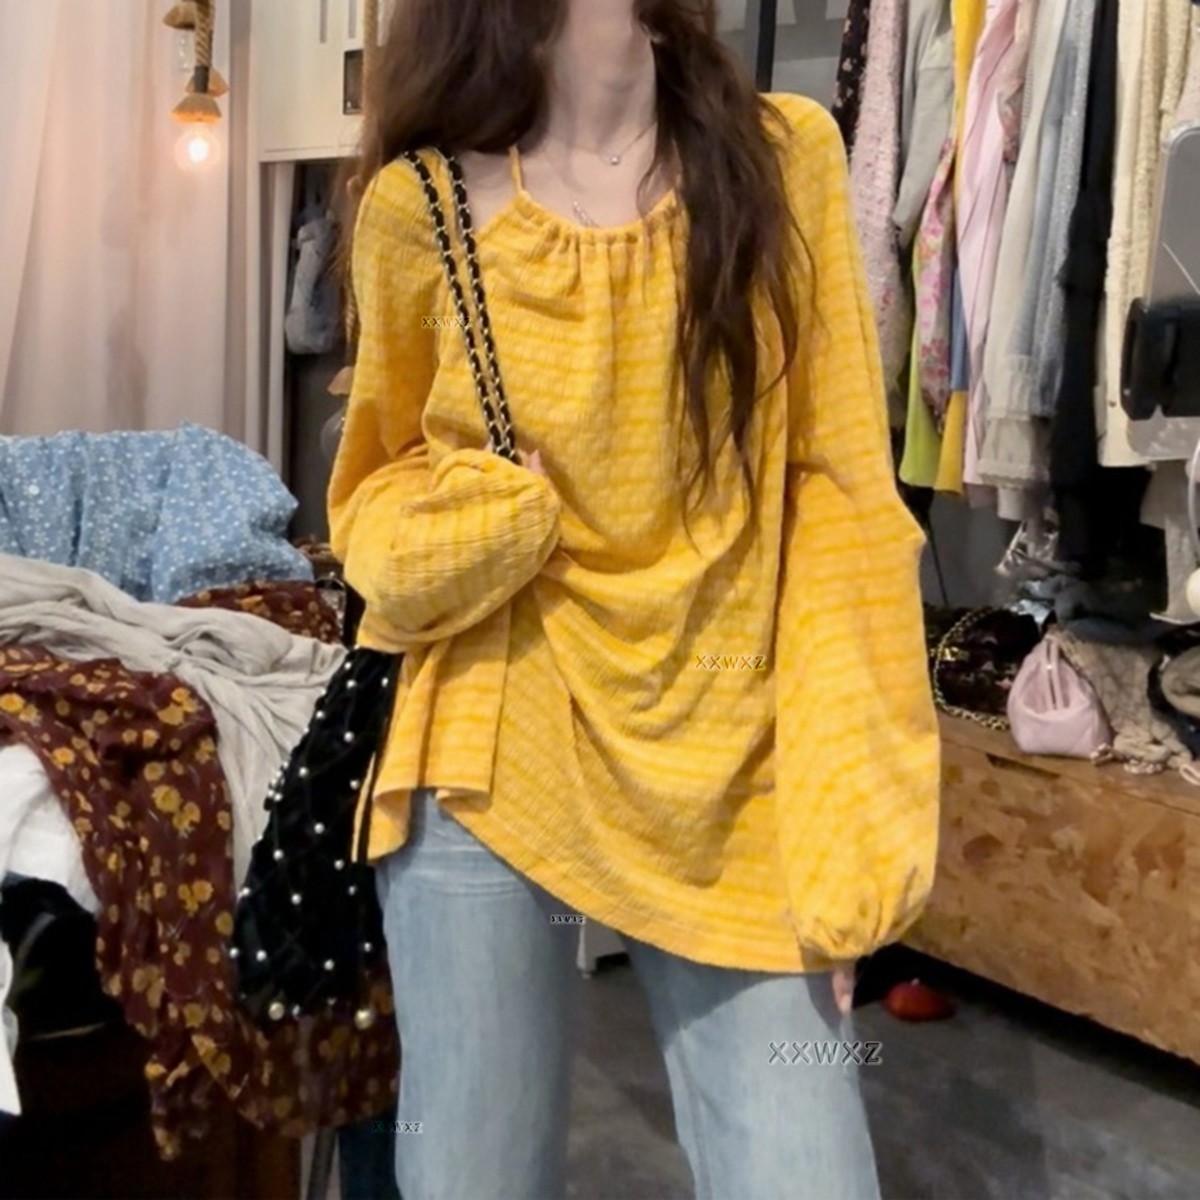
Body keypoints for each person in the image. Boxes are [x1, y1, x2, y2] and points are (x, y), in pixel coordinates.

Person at [327, 1, 941, 1197]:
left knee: (806, 1173)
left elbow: (840, 509)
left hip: (734, 773)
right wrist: (489, 521)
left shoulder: (785, 161)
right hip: (491, 745)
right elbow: (371, 501)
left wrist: (851, 826)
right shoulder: (423, 207)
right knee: (472, 1176)